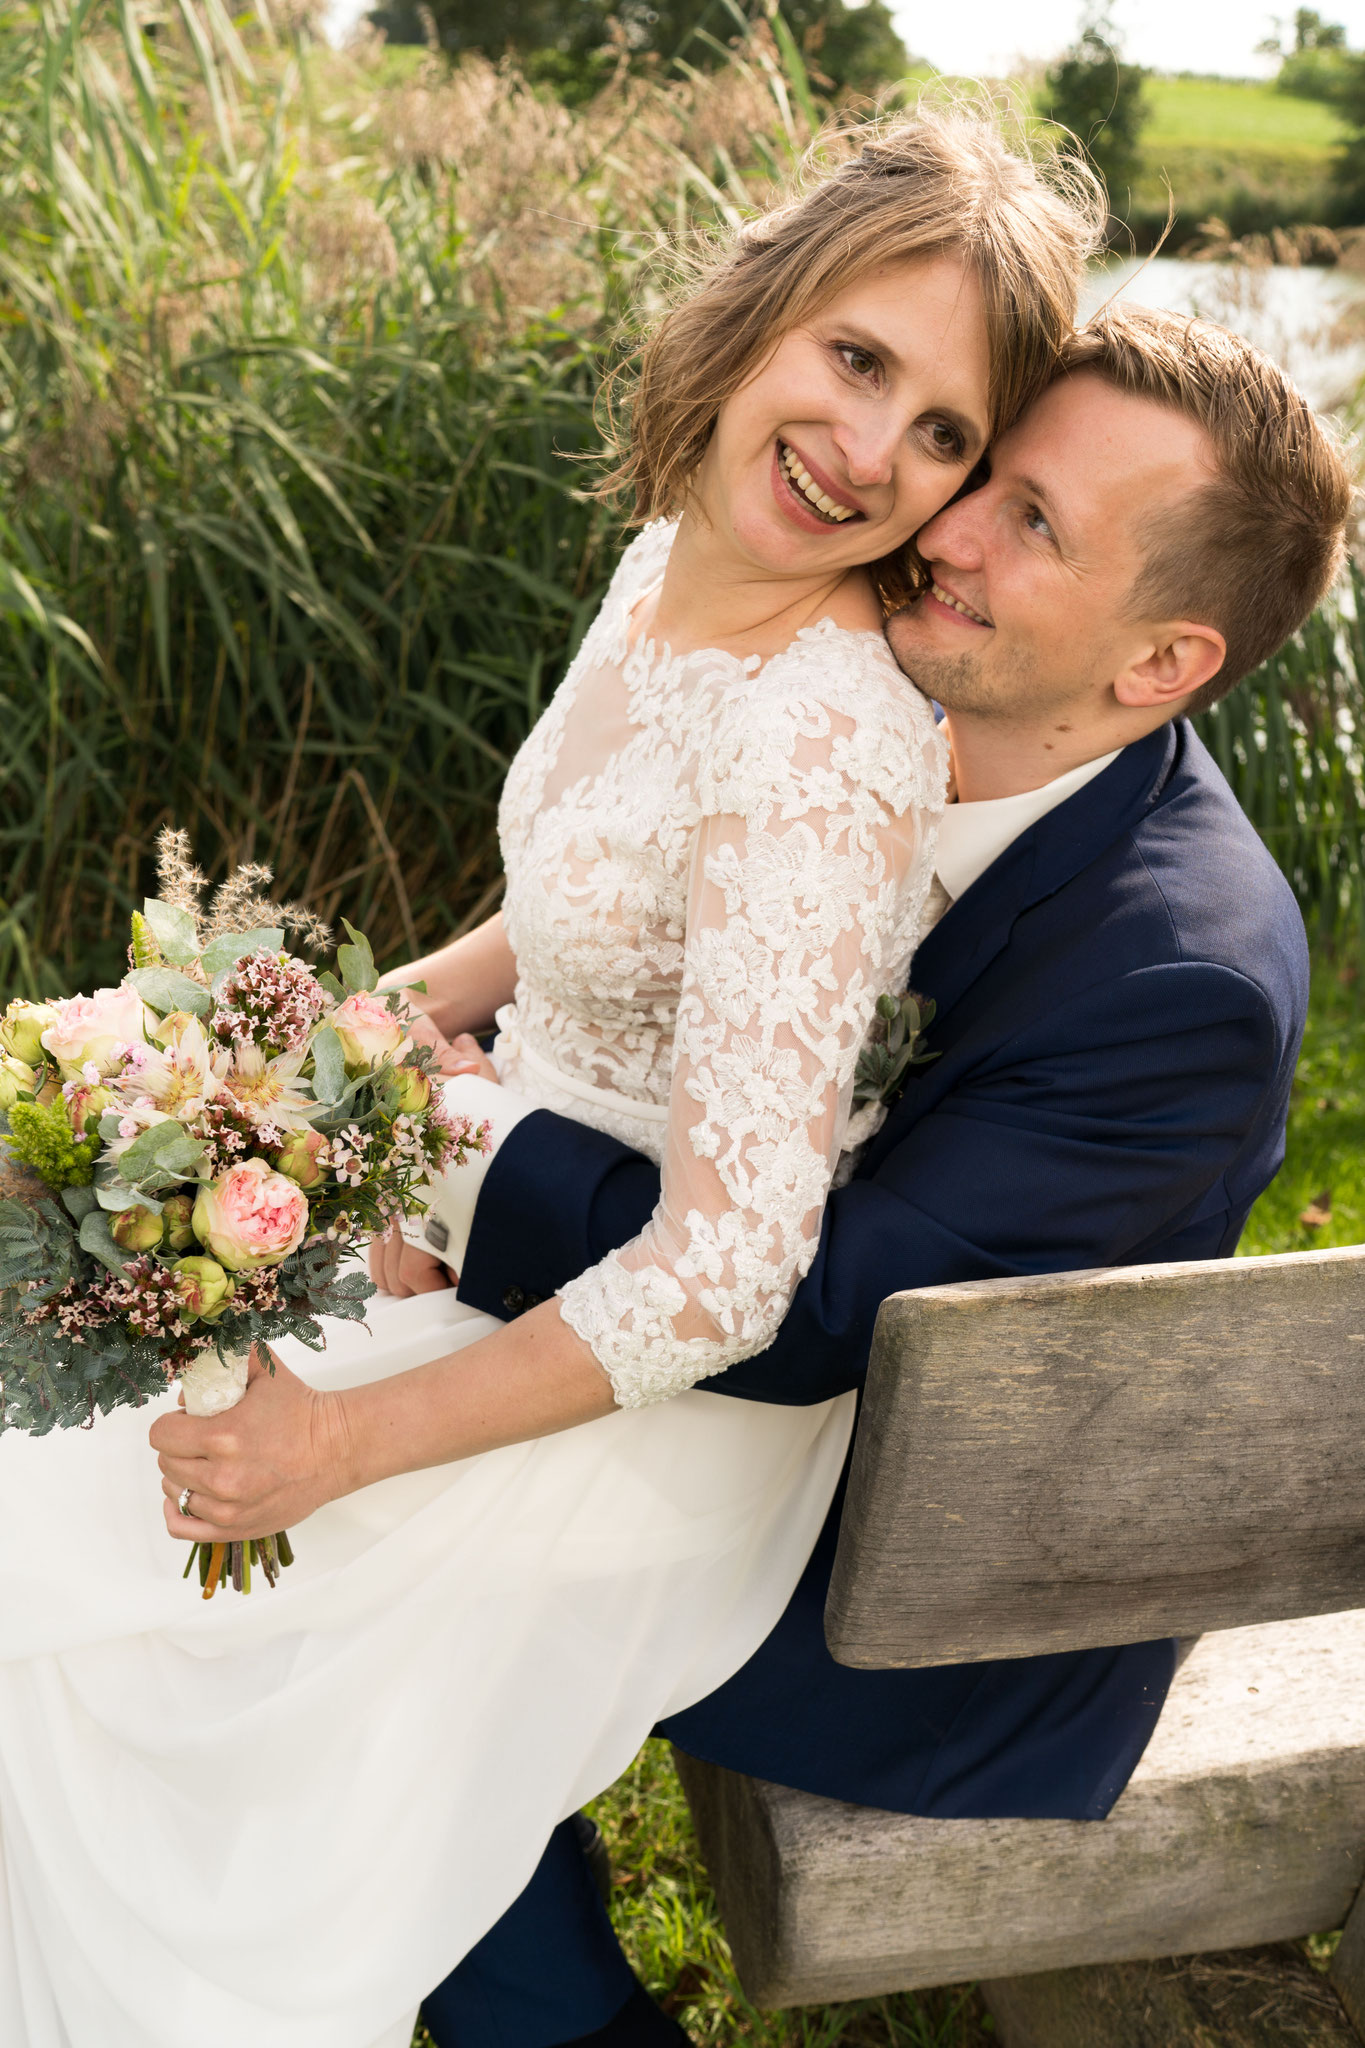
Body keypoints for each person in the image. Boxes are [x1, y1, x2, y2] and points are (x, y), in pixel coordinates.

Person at [0, 112, 1100, 2048]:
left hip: (648, 1391)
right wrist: (247, 1057)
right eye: (858, 361)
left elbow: (725, 1273)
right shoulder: (666, 564)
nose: (871, 454)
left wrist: (334, 1446)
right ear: (760, 311)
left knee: (77, 1602)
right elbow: (565, 910)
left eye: (943, 434)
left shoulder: (815, 743)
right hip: (500, 1233)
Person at [376, 303, 1354, 2047]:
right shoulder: (856, 691)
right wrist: (427, 1015)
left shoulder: (1171, 981)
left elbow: (808, 1313)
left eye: (1031, 525)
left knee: (363, 1573)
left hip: (917, 1590)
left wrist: (450, 1149)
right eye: (985, 471)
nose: (944, 524)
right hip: (752, 1401)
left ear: (1156, 667)